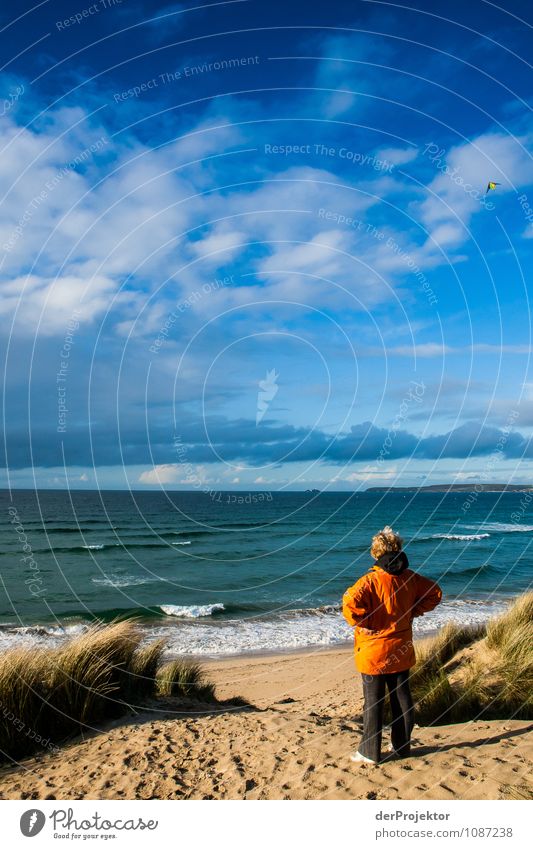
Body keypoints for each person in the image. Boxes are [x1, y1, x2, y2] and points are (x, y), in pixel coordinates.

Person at [342, 525, 442, 764]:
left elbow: (349, 605)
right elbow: (435, 593)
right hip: (401, 649)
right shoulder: (410, 577)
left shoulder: (371, 580)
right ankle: (401, 746)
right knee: (402, 699)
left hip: (374, 651)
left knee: (373, 702)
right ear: (398, 549)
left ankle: (369, 753)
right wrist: (412, 611)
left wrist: (365, 622)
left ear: (376, 553)